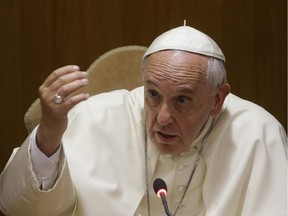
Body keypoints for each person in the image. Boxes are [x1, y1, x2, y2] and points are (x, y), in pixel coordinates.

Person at [0, 25, 287, 216]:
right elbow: (16, 207)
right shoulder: (95, 117)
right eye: (152, 94)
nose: (162, 118)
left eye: (182, 100)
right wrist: (49, 131)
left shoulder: (258, 133)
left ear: (216, 100)